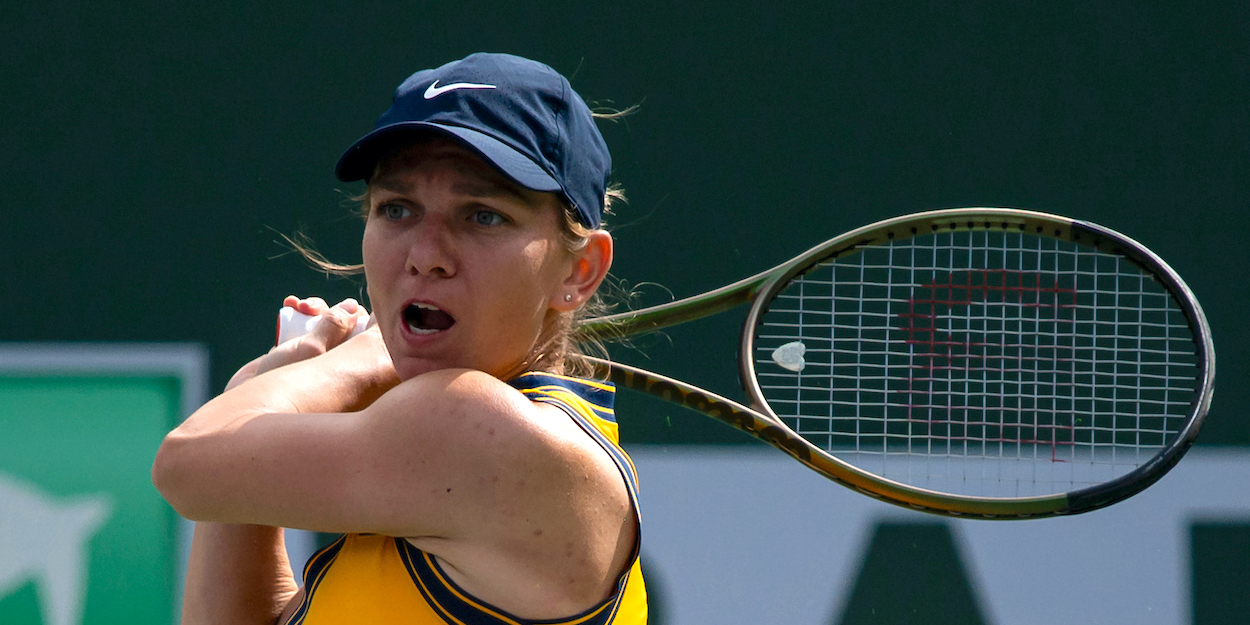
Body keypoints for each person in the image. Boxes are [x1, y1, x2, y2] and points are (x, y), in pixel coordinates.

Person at [152, 52, 647, 624]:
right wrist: (270, 380)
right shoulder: (433, 451)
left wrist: (348, 364)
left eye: (483, 216)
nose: (425, 256)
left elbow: (186, 466)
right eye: (397, 209)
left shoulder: (471, 426)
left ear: (579, 269)